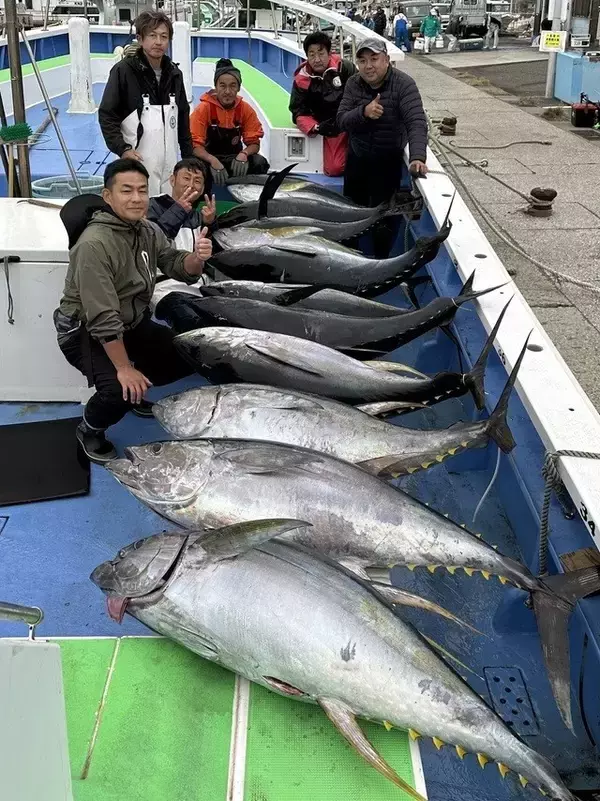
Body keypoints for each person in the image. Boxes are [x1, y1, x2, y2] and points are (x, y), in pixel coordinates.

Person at [53, 159, 212, 463]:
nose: (137, 198)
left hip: (131, 323)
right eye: (126, 191)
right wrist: (125, 369)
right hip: (85, 331)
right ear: (107, 196)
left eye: (142, 190)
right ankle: (90, 428)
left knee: (189, 354)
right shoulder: (94, 245)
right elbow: (102, 317)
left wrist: (196, 258)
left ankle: (133, 393)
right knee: (118, 388)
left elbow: (175, 263)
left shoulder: (147, 229)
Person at [336, 38, 427, 257]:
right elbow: (341, 120)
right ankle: (349, 257)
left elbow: (416, 122)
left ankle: (380, 261)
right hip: (357, 159)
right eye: (363, 60)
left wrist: (417, 156)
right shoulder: (353, 83)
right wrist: (363, 113)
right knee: (351, 214)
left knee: (384, 221)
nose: (368, 66)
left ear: (386, 59)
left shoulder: (404, 84)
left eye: (374, 59)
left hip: (387, 163)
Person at [98, 11, 193, 197]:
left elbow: (182, 119)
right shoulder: (123, 71)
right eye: (152, 35)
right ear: (140, 39)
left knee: (168, 210)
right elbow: (107, 115)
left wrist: (188, 159)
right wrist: (123, 149)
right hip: (138, 162)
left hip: (170, 165)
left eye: (164, 37)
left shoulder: (175, 74)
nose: (158, 42)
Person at [190, 58, 269, 186]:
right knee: (193, 165)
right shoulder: (203, 109)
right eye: (223, 86)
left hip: (235, 159)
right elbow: (194, 146)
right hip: (209, 159)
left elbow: (254, 143)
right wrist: (212, 160)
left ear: (238, 88)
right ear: (216, 87)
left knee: (259, 162)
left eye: (233, 86)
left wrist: (244, 154)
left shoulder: (245, 109)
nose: (227, 91)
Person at [289, 31, 356, 177]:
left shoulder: (345, 69)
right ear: (306, 56)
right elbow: (297, 111)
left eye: (321, 53)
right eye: (311, 54)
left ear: (329, 53)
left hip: (351, 121)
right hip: (330, 128)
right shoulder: (301, 79)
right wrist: (317, 127)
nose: (317, 59)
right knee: (334, 168)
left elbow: (360, 95)